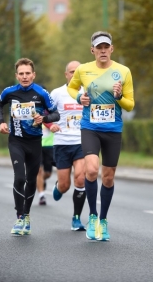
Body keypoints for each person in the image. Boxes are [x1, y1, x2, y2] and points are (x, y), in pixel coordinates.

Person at [67, 31, 135, 241]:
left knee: (108, 176)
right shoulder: (83, 69)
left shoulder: (123, 72)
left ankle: (103, 220)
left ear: (111, 49)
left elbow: (130, 105)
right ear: (93, 50)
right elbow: (71, 88)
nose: (103, 51)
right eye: (99, 47)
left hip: (113, 130)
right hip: (90, 127)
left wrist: (119, 96)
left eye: (106, 47)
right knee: (91, 170)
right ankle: (93, 217)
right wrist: (80, 97)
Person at [0, 58, 60, 236]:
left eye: (27, 73)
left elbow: (56, 114)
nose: (24, 77)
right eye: (21, 74)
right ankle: (20, 216)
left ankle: (27, 215)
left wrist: (44, 119)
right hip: (16, 141)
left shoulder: (41, 93)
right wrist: (0, 122)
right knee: (20, 178)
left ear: (33, 75)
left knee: (31, 181)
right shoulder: (9, 92)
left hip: (35, 142)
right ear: (17, 75)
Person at [51, 60, 87, 231]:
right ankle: (59, 186)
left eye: (77, 71)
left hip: (82, 142)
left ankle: (76, 218)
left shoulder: (88, 92)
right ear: (66, 74)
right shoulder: (57, 93)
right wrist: (51, 126)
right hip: (62, 143)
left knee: (80, 178)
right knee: (65, 186)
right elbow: (45, 113)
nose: (74, 74)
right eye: (71, 71)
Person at [36, 123, 54, 205]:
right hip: (37, 145)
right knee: (39, 171)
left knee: (48, 173)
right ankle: (41, 195)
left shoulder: (50, 112)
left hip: (50, 145)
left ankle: (41, 180)